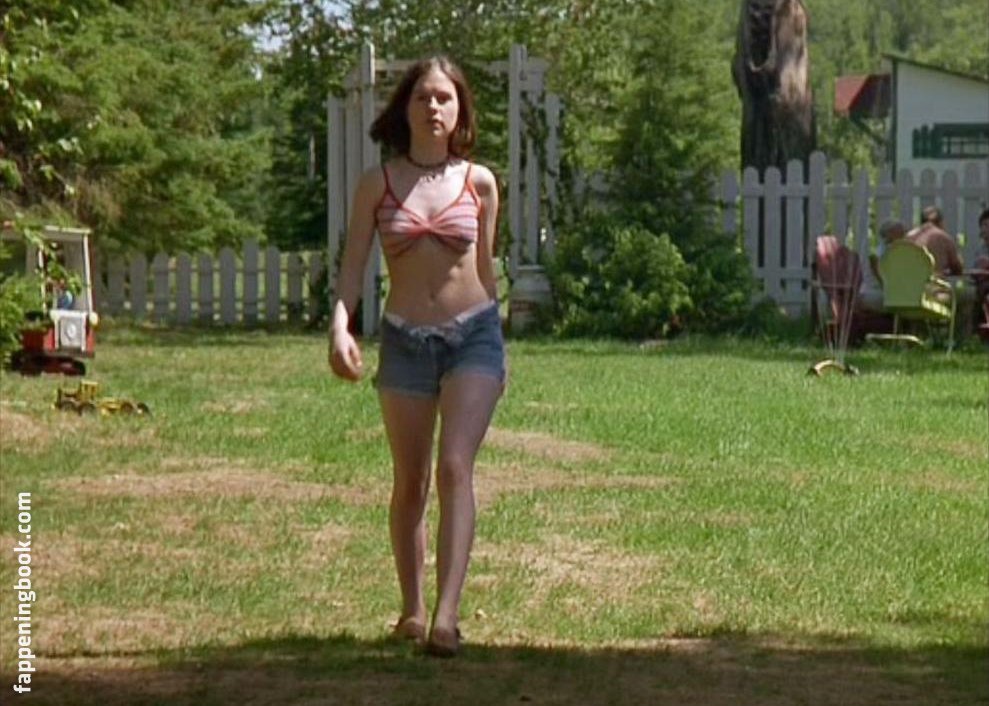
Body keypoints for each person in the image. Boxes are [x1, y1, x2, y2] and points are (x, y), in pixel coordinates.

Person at [328, 56, 504, 658]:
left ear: (460, 112)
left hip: (473, 337)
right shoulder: (377, 184)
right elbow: (353, 265)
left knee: (455, 466)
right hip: (404, 341)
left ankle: (447, 616)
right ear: (405, 108)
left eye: (445, 98)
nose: (434, 107)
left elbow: (486, 271)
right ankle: (412, 608)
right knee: (411, 480)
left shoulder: (480, 183)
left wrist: (499, 341)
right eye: (423, 97)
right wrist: (340, 325)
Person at [860, 219, 906, 311]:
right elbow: (882, 279)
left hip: (879, 293)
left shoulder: (892, 251)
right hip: (874, 293)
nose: (903, 235)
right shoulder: (882, 253)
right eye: (899, 232)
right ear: (889, 234)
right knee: (903, 303)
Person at [907, 205, 963, 276]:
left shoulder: (909, 237)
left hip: (910, 280)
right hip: (933, 281)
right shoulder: (943, 238)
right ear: (941, 222)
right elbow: (957, 268)